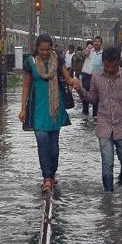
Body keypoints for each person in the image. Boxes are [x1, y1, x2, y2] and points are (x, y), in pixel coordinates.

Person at [73, 47, 122, 192]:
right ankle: (108, 197)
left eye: (113, 66)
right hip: (104, 128)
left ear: (118, 63)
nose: (109, 69)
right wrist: (80, 90)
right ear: (103, 63)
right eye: (107, 66)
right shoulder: (96, 77)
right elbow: (93, 99)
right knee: (107, 164)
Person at [19, 34, 75, 191]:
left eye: (48, 49)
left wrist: (75, 83)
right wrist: (23, 108)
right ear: (37, 48)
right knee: (42, 142)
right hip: (37, 108)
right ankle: (47, 177)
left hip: (55, 109)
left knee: (54, 146)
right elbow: (26, 87)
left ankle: (52, 174)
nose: (45, 52)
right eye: (42, 49)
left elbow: (67, 77)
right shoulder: (29, 63)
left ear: (52, 48)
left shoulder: (59, 60)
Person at [81, 36, 104, 119]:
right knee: (85, 93)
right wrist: (88, 47)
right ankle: (85, 112)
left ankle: (95, 114)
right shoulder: (89, 51)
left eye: (98, 42)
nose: (96, 43)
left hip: (97, 77)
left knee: (96, 95)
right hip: (86, 75)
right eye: (95, 41)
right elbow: (83, 55)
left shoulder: (103, 53)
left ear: (101, 43)